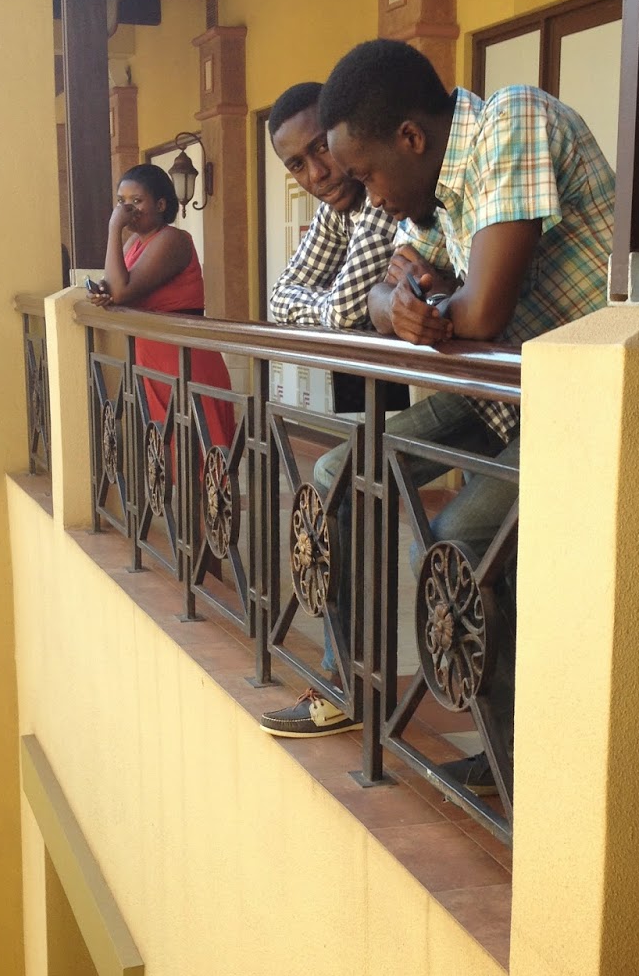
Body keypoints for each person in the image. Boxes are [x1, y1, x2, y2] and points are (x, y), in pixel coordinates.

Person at [260, 39, 615, 797]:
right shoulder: (431, 195)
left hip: (579, 404)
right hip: (502, 393)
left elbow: (480, 312)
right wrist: (403, 302)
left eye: (366, 175)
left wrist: (429, 300)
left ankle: (514, 763)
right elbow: (384, 300)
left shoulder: (510, 121)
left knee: (458, 541)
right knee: (342, 469)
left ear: (411, 138)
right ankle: (351, 682)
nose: (367, 196)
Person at [267, 81, 410, 417]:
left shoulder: (381, 193)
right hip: (380, 386)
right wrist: (330, 305)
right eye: (297, 165)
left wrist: (333, 307)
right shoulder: (335, 209)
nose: (317, 174)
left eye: (321, 147)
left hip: (470, 382)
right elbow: (280, 296)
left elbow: (343, 312)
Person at [96, 162, 234, 448]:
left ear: (160, 205)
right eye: (122, 202)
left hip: (182, 359)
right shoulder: (134, 243)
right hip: (152, 357)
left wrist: (113, 228)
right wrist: (101, 291)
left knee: (191, 450)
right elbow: (112, 284)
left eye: (136, 201)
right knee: (161, 451)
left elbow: (121, 291)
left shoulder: (172, 239)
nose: (127, 210)